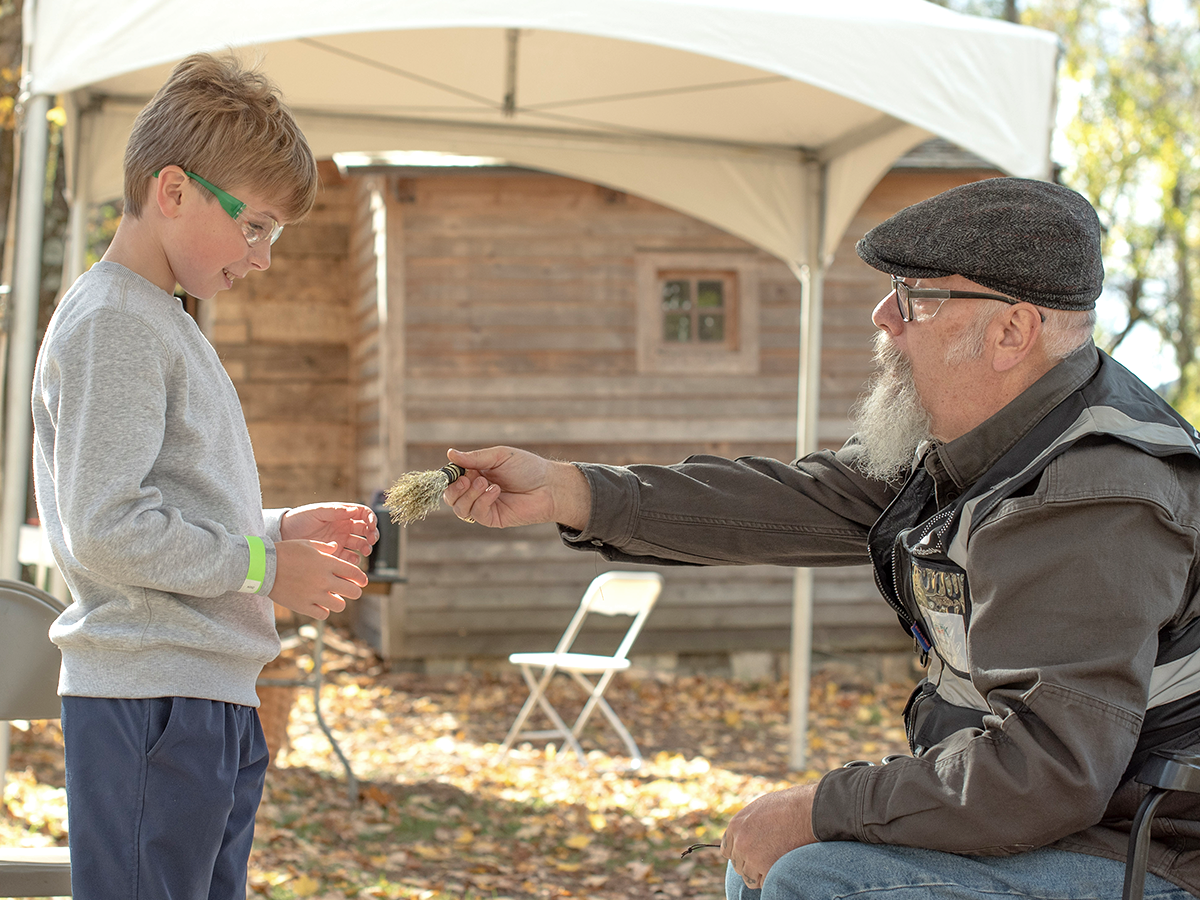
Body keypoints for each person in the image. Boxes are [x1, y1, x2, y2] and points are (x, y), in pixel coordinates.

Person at [440, 177, 1200, 899]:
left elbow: (1047, 777)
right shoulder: (990, 447)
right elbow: (785, 499)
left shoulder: (1097, 496)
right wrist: (569, 491)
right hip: (1074, 821)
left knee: (815, 879)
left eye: (918, 297)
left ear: (1011, 330)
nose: (884, 316)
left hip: (1146, 852)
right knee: (784, 863)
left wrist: (818, 807)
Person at [30, 53, 379, 900]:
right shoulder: (114, 323)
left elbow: (171, 511)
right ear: (173, 191)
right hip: (153, 702)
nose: (263, 256)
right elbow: (108, 531)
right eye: (255, 224)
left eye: (275, 234)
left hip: (204, 692)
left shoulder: (165, 322)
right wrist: (263, 567)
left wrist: (277, 530)